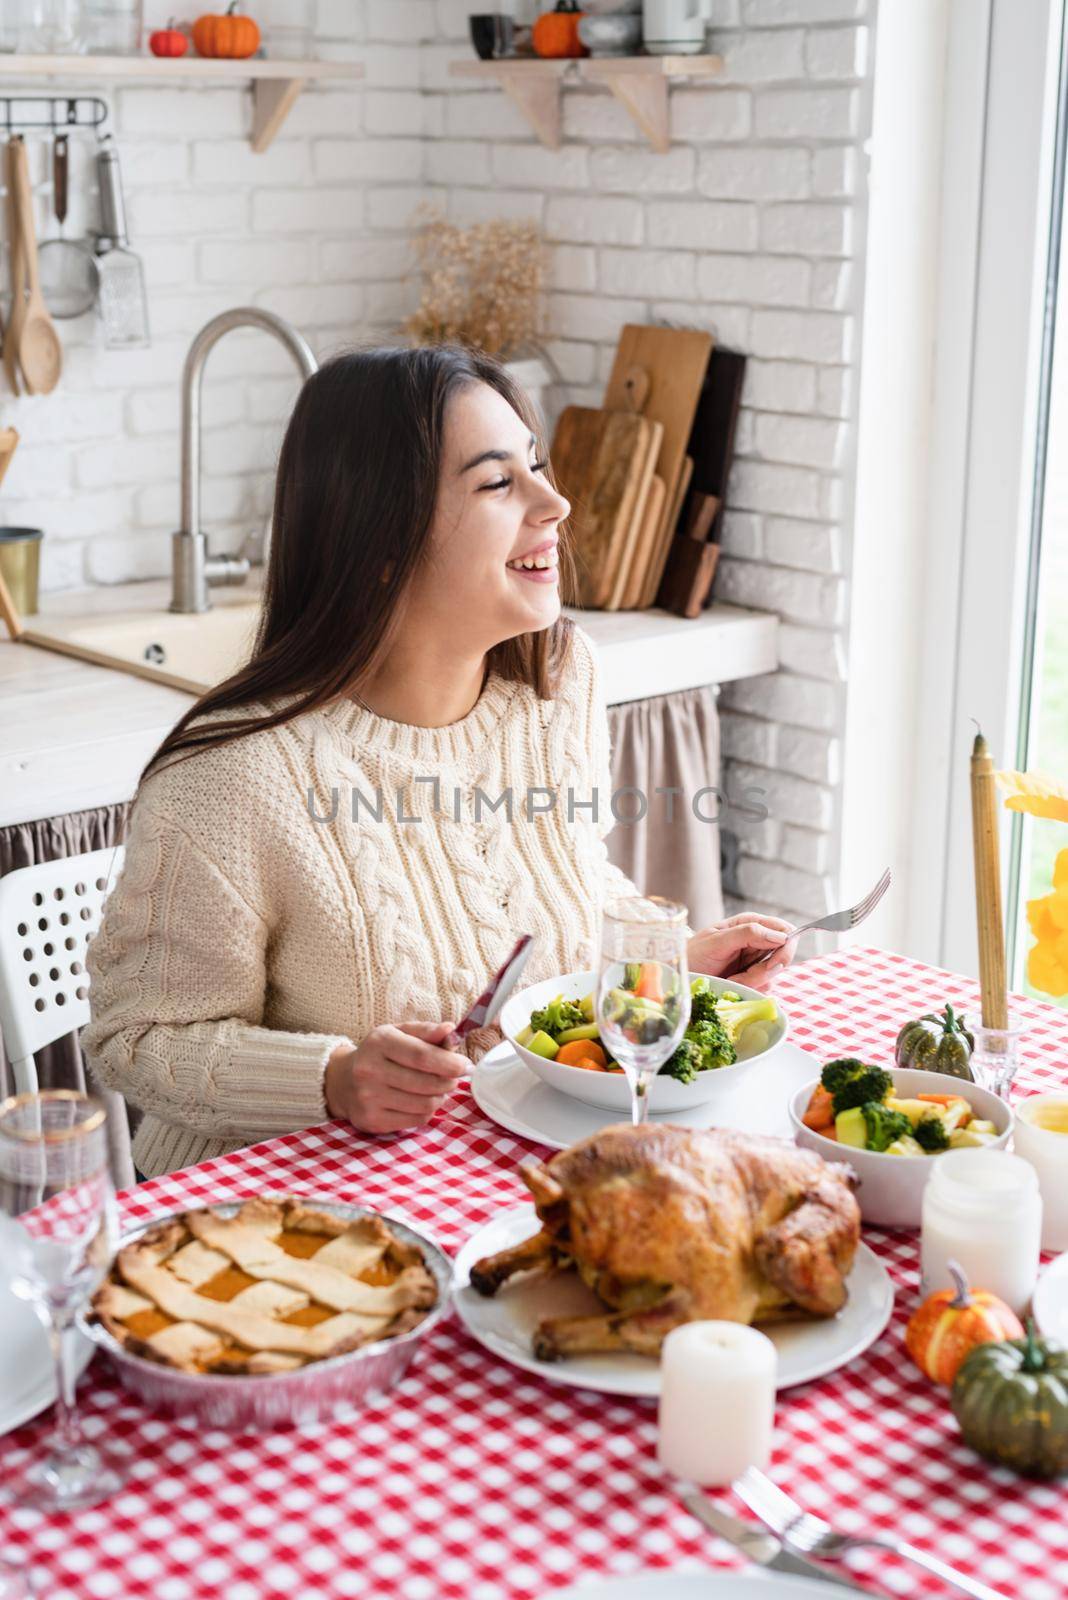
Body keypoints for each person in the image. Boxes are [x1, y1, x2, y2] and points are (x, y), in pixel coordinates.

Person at [83, 346, 797, 1179]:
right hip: (272, 1211)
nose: (555, 502)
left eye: (536, 466)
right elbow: (135, 1039)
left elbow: (560, 877)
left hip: (485, 1171)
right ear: (380, 537)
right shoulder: (232, 781)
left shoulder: (558, 685)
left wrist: (656, 966)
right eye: (499, 484)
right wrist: (334, 1080)